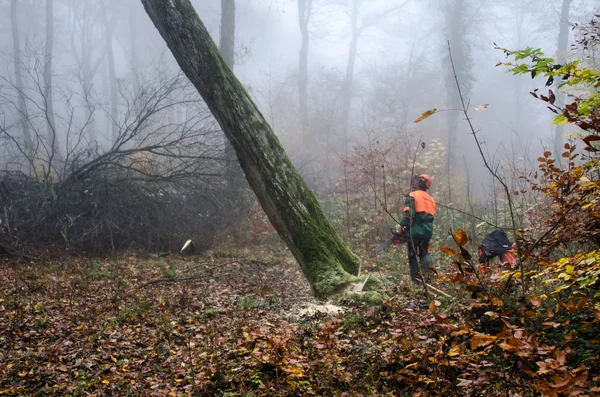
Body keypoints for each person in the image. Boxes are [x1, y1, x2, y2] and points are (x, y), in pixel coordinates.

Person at [400, 174, 436, 283]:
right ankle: (426, 277)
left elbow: (408, 216)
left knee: (413, 255)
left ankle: (416, 280)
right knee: (425, 254)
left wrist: (401, 228)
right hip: (427, 231)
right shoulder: (431, 199)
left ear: (419, 183)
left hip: (414, 231)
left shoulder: (413, 196)